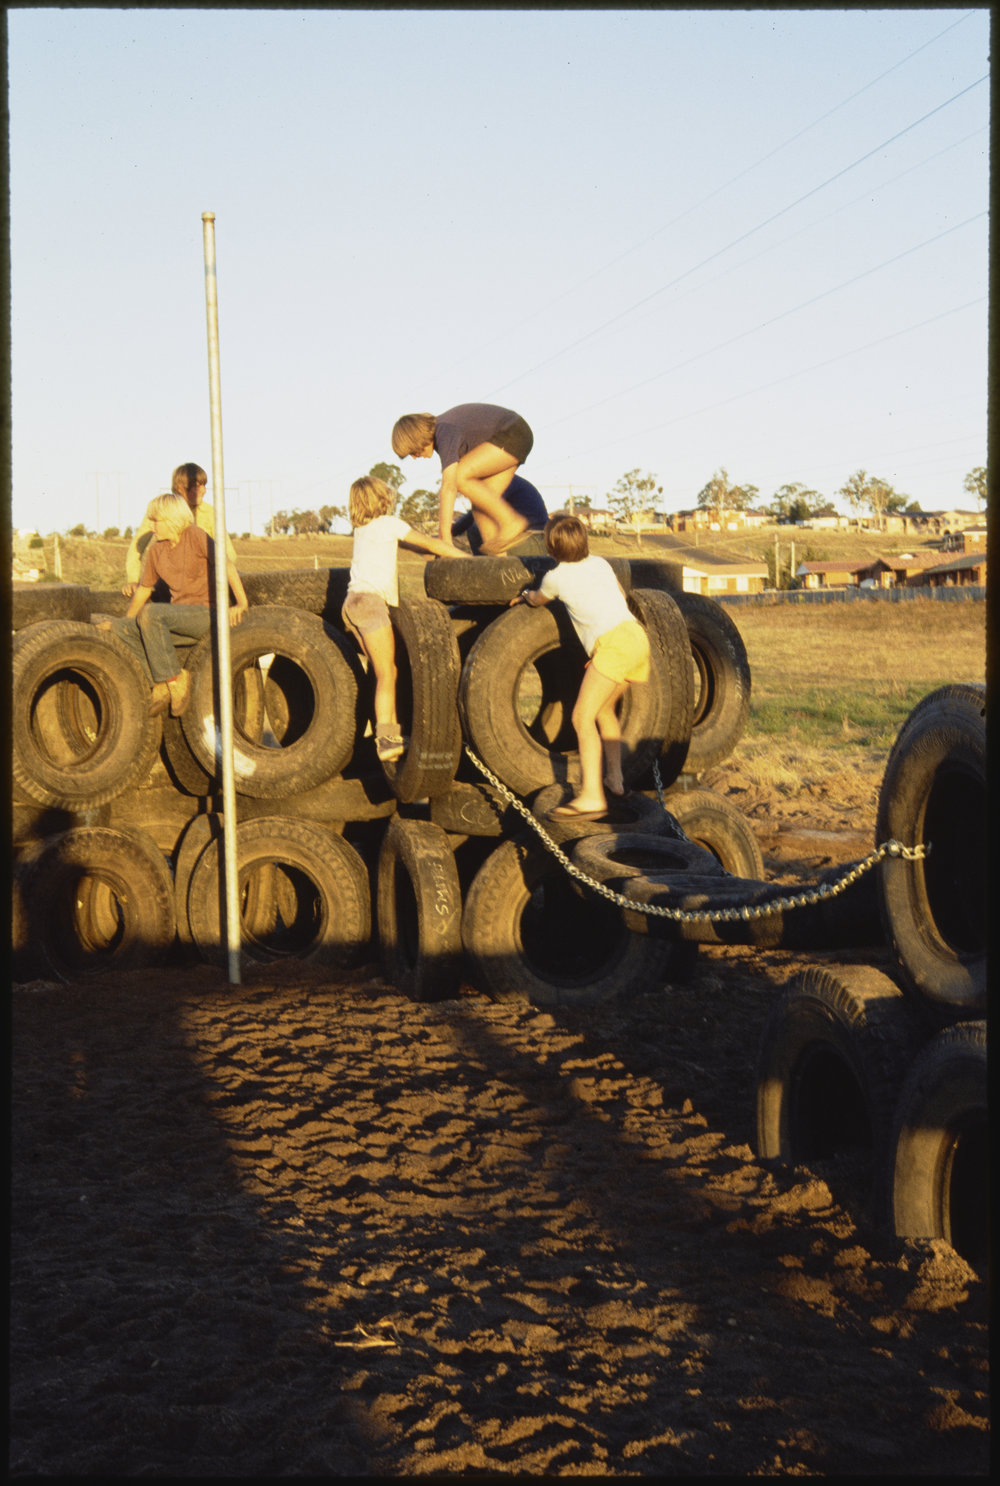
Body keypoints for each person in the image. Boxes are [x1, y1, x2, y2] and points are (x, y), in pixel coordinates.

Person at [512, 513, 651, 819]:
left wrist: (524, 595)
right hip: (636, 637)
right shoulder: (601, 563)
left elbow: (538, 599)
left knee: (580, 717)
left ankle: (591, 796)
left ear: (551, 549)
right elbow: (620, 594)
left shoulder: (555, 577)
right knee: (603, 712)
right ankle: (615, 781)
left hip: (613, 645)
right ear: (585, 541)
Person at [342, 475, 462, 762]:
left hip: (350, 604)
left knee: (384, 671)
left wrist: (430, 556)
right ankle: (386, 742)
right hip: (370, 604)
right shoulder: (390, 524)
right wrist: (466, 559)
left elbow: (413, 548)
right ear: (382, 499)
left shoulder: (365, 529)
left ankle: (391, 737)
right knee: (387, 673)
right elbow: (431, 545)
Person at [100, 492, 248, 718]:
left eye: (155, 520)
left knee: (151, 613)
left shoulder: (196, 535)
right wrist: (124, 623)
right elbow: (143, 591)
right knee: (122, 629)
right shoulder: (156, 551)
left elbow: (226, 564)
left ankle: (175, 679)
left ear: (171, 519)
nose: (151, 526)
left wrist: (241, 602)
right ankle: (161, 684)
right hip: (179, 621)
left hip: (207, 614)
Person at [391, 403, 534, 555]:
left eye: (412, 451)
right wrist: (452, 531)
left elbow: (449, 486)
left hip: (513, 432)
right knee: (481, 506)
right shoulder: (443, 432)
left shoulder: (444, 430)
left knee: (458, 477)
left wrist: (444, 539)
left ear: (416, 438)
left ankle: (511, 521)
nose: (414, 457)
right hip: (512, 437)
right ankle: (497, 563)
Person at [122, 462, 237, 596]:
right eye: (196, 486)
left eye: (204, 485)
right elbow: (137, 548)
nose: (203, 490)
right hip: (170, 581)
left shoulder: (210, 513)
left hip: (201, 584)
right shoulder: (160, 510)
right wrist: (133, 580)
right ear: (180, 488)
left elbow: (229, 553)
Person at [451, 473, 548, 555]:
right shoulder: (501, 478)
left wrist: (448, 533)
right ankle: (489, 568)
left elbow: (472, 517)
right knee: (478, 529)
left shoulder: (495, 482)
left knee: (477, 530)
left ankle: (489, 569)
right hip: (534, 541)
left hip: (533, 541)